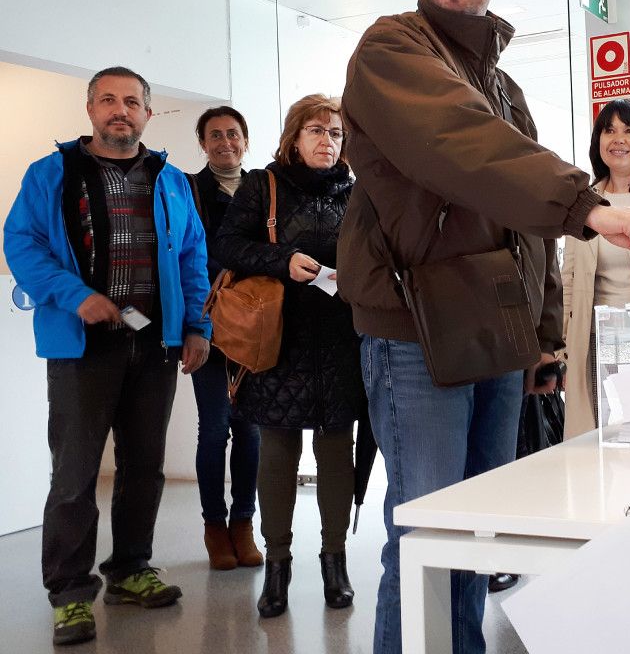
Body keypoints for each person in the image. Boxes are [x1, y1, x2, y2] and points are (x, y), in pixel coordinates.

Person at [337, 0, 630, 652]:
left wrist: (542, 340)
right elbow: (461, 144)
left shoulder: (505, 89)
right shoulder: (392, 50)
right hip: (415, 332)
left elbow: (523, 231)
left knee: (474, 539)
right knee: (425, 535)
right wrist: (584, 203)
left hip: (492, 332)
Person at [4, 66, 211, 646]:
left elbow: (193, 256)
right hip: (81, 347)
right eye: (107, 101)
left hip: (155, 342)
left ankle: (130, 570)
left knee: (144, 465)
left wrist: (197, 325)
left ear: (148, 112)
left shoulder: (169, 180)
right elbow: (21, 244)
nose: (120, 110)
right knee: (74, 473)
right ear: (90, 109)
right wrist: (78, 297)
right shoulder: (51, 174)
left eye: (131, 101)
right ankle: (69, 594)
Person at [214, 94, 364, 618]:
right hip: (277, 337)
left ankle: (334, 560)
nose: (328, 142)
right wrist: (283, 260)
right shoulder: (264, 184)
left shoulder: (356, 189)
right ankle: (277, 566)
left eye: (337, 134)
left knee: (334, 452)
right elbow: (226, 246)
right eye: (318, 131)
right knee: (277, 454)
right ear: (294, 136)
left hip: (341, 337)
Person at [186, 105, 263, 571]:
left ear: (246, 140)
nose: (225, 142)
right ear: (203, 143)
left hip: (256, 325)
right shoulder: (189, 189)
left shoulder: (263, 190)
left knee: (249, 427)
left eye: (233, 134)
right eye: (214, 135)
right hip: (209, 323)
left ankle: (244, 523)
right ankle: (215, 526)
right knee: (214, 426)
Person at [563, 98, 630, 438]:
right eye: (609, 130)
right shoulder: (586, 202)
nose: (618, 139)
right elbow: (569, 280)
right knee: (602, 435)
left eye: (629, 130)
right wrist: (564, 350)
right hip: (597, 335)